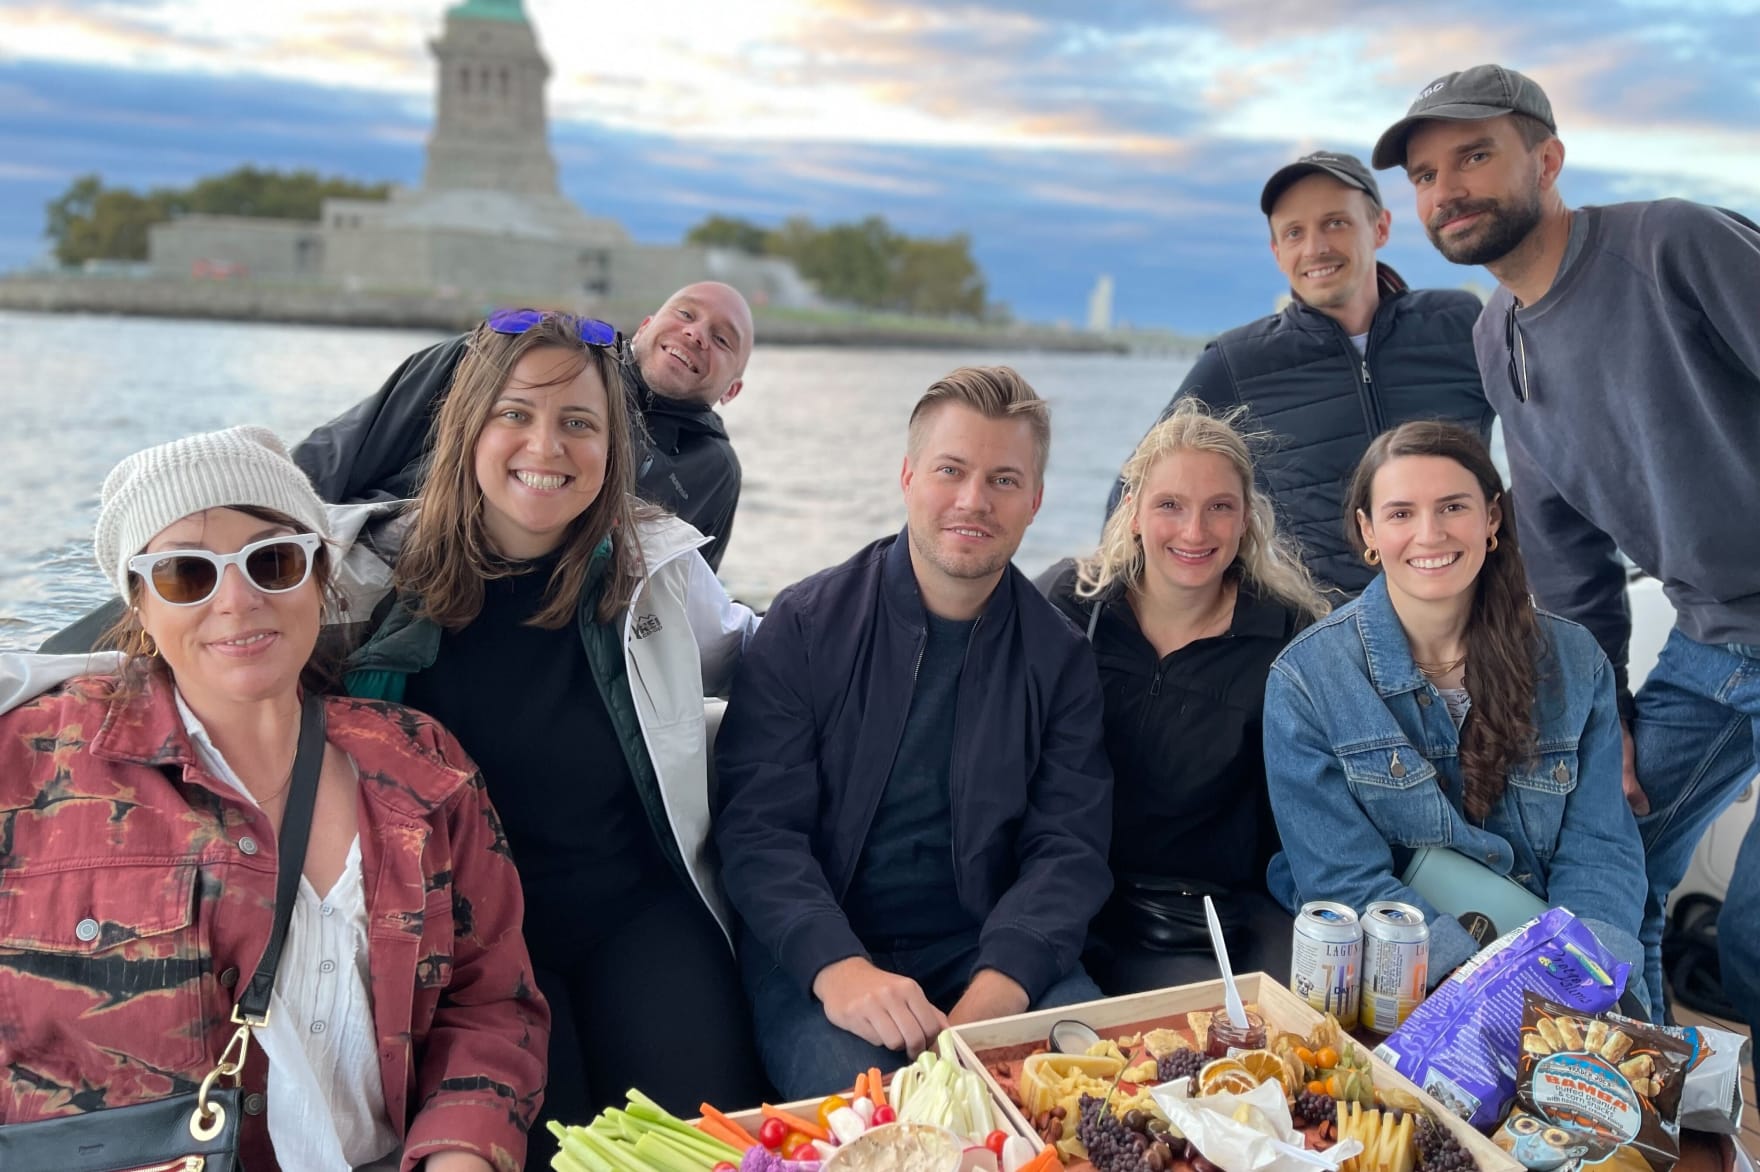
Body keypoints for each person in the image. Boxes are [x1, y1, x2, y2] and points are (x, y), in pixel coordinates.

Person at [0, 425, 547, 1172]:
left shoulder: (424, 767)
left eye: (274, 561)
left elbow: (490, 1004)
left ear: (321, 578)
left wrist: (462, 1154)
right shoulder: (28, 765)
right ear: (139, 603)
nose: (238, 600)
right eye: (187, 575)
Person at [1374, 63, 1760, 1049]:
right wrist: (1607, 711)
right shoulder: (1496, 334)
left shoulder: (1669, 245)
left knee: (1755, 935)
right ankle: (1644, 1115)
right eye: (1422, 174)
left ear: (1544, 159)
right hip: (1713, 639)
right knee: (1603, 854)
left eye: (1473, 156)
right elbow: (1561, 549)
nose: (1445, 188)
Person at [337, 310, 769, 1164]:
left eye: (579, 422)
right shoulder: (365, 579)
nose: (548, 444)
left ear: (613, 449)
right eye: (516, 414)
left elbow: (766, 655)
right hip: (464, 950)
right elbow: (220, 607)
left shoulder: (658, 570)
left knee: (713, 1146)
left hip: (632, 914)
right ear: (468, 427)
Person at [714, 366, 1112, 1098]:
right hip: (827, 953)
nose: (972, 501)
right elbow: (760, 830)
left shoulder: (1059, 659)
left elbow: (1070, 848)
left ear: (1035, 501)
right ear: (907, 476)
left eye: (1003, 480)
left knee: (1093, 1102)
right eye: (951, 471)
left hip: (990, 952)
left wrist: (996, 993)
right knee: (883, 1131)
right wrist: (840, 970)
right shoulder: (805, 625)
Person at [1263, 421, 1648, 1000]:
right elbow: (1346, 880)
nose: (1430, 534)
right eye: (1400, 514)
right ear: (1367, 531)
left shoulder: (1574, 662)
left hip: (1561, 975)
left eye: (1452, 507)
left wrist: (1578, 982)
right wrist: (1488, 990)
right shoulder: (1307, 682)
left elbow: (1601, 852)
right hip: (1404, 978)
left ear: (1491, 519)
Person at [1038, 400, 1330, 994]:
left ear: (1246, 518)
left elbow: (1314, 808)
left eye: (1219, 508)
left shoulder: (1290, 638)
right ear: (1133, 512)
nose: (1195, 532)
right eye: (1170, 505)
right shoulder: (1069, 605)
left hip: (1208, 914)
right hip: (1061, 893)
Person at [1110, 150, 1490, 595]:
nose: (1316, 248)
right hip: (1322, 633)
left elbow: (1547, 442)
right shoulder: (1240, 360)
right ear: (1277, 252)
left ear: (1380, 227)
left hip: (1473, 618)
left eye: (1336, 223)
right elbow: (1135, 490)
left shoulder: (1461, 323)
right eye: (1295, 232)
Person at [294, 282, 752, 570]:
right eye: (686, 314)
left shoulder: (713, 473)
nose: (696, 334)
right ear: (647, 325)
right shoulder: (495, 353)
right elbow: (332, 458)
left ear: (732, 390)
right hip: (388, 561)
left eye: (721, 339)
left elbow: (685, 598)